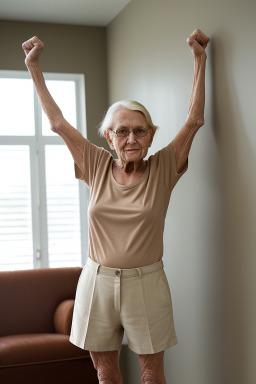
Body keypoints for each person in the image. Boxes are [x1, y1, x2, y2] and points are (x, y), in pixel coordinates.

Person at [22, 28, 210, 384]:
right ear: (108, 137)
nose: (131, 139)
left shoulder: (163, 168)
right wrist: (34, 67)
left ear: (151, 136)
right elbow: (58, 124)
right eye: (122, 131)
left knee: (152, 376)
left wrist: (199, 58)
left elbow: (194, 121)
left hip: (147, 282)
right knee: (106, 374)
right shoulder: (95, 164)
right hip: (97, 281)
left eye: (140, 131)